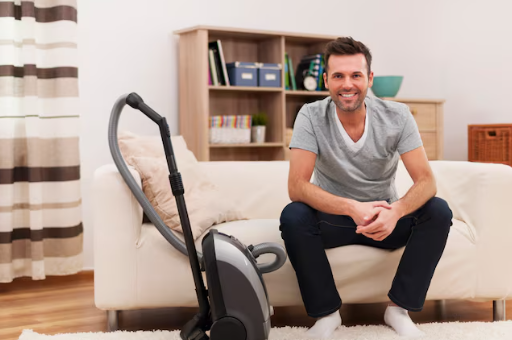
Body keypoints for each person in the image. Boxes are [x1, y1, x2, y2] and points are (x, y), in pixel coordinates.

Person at [279, 37, 453, 339]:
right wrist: (351, 207)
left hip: (385, 220)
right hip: (335, 220)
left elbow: (427, 181)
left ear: (369, 78)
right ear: (326, 81)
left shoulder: (397, 116)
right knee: (293, 215)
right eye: (338, 76)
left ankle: (398, 309)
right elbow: (297, 186)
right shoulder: (310, 115)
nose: (348, 84)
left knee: (438, 210)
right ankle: (327, 315)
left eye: (356, 75)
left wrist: (396, 211)